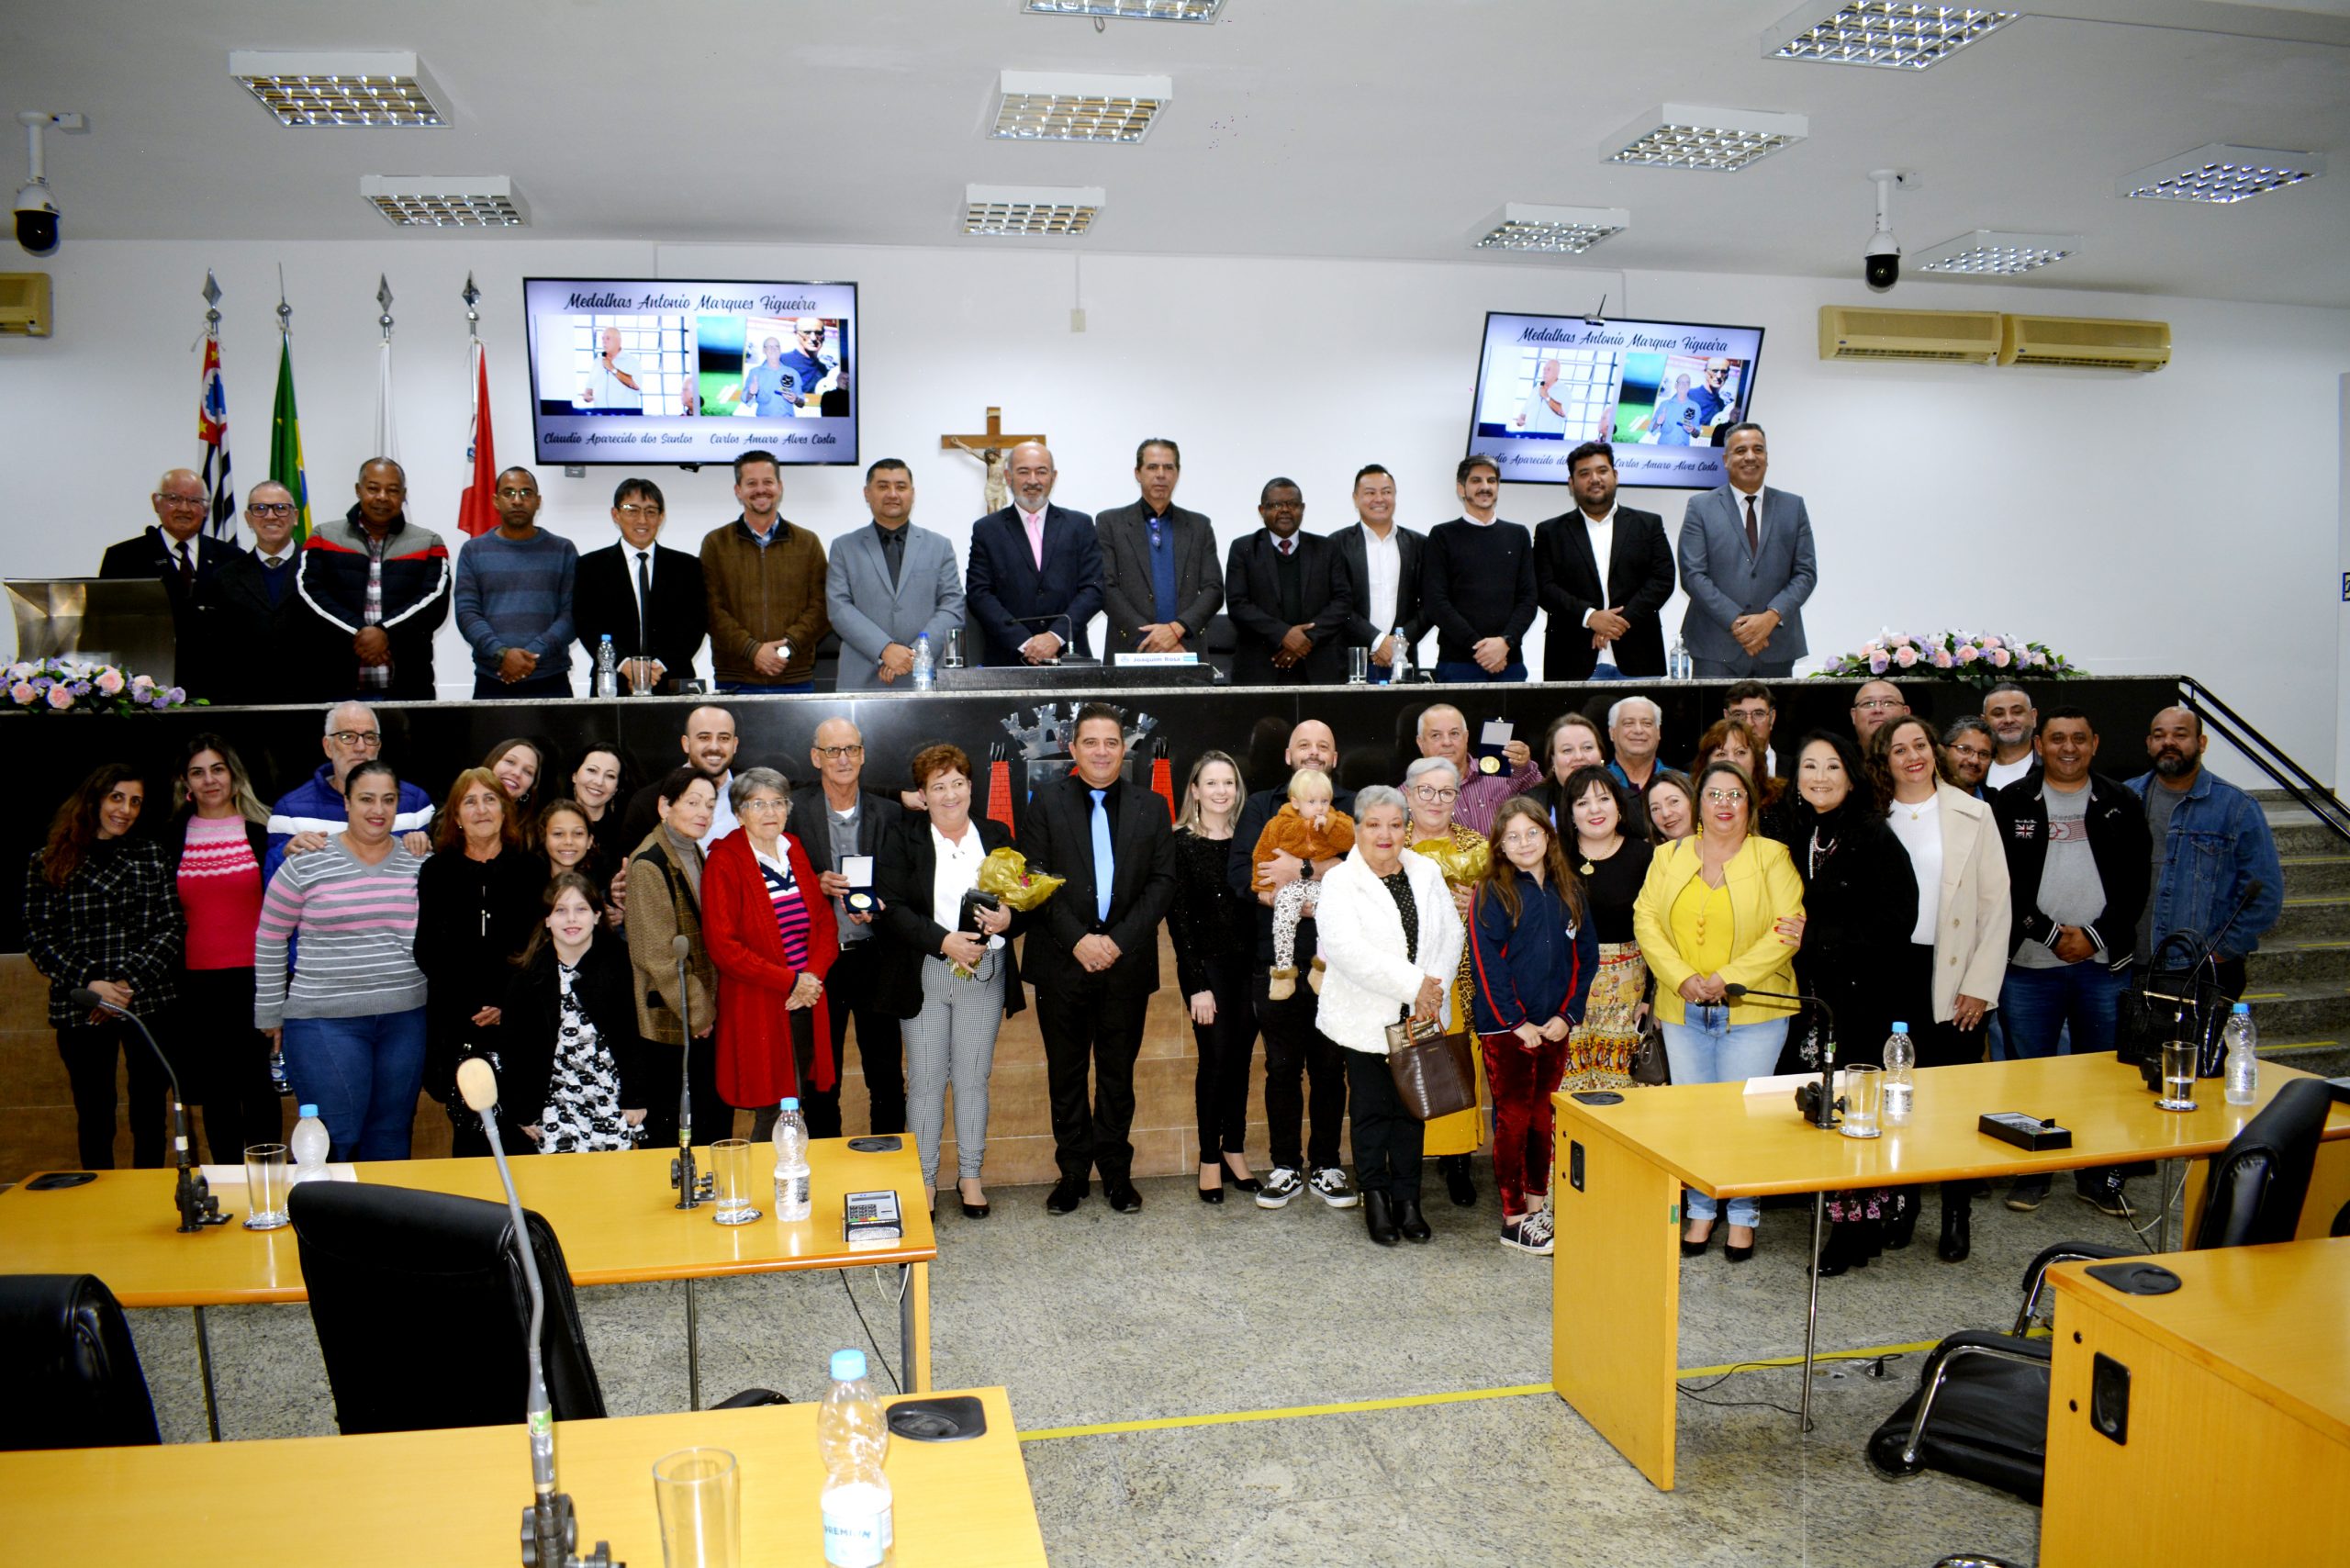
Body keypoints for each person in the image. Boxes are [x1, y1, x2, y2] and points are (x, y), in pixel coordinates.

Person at [2107, 705, 2284, 1220]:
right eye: (2159, 735)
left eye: (2180, 735)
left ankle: (2205, 1172)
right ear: (2147, 743)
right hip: (2137, 965)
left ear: (2201, 744)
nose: (2170, 743)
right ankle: (2132, 1160)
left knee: (2204, 1073)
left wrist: (2222, 951)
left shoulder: (2235, 807)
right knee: (2134, 1071)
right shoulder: (2126, 797)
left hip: (2206, 971)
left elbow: (2265, 894)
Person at [1633, 758, 1806, 1261]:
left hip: (1755, 1010)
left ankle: (1744, 1217)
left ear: (1749, 804)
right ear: (1698, 803)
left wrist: (1727, 980)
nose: (1724, 804)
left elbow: (1787, 929)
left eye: (1735, 795)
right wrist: (1683, 978)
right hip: (1682, 1008)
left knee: (1744, 1120)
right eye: (1714, 795)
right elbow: (1646, 920)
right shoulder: (1669, 857)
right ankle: (1702, 1211)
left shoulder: (1772, 856)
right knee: (1695, 1117)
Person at [1019, 702, 1178, 1215]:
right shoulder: (1044, 801)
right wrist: (1080, 941)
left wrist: (1116, 942)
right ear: (1073, 748)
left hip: (1125, 964)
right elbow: (1034, 881)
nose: (1103, 751)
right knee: (1065, 1075)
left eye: (1112, 742)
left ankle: (1116, 1174)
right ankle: (1071, 1174)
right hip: (1062, 963)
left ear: (1125, 748)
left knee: (1117, 1076)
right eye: (1091, 742)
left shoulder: (1151, 806)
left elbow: (1162, 884)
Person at [1991, 709, 2152, 1212]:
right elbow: (2002, 884)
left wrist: (2096, 937)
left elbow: (2135, 884)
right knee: (2028, 1073)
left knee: (2101, 1075)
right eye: (2057, 738)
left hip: (2102, 968)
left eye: (2078, 739)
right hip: (2029, 966)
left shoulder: (2122, 801)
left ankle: (2100, 1173)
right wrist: (2053, 933)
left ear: (2095, 743)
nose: (2068, 748)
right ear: (2039, 744)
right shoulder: (2013, 801)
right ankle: (2033, 1173)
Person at [1871, 713, 2012, 1260]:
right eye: (1898, 749)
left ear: (1935, 751)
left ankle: (1957, 1212)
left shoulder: (1973, 813)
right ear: (1884, 760)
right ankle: (1902, 1203)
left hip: (1953, 973)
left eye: (1920, 745)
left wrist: (1980, 986)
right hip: (1890, 973)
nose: (1912, 756)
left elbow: (1996, 906)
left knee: (1953, 1100)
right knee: (1895, 1094)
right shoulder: (1873, 817)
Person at [1785, 731, 1919, 1273]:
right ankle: (1851, 1223)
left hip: (1867, 998)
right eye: (1809, 765)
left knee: (1857, 1109)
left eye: (1832, 767)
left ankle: (1855, 1230)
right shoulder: (1804, 833)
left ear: (1852, 776)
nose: (1819, 776)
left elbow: (1896, 923)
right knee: (1828, 1107)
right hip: (1820, 1000)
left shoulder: (1872, 836)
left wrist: (1814, 935)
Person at [253, 759, 430, 1162]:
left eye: (388, 800)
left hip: (404, 1020)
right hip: (323, 1022)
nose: (377, 810)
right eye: (366, 799)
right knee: (335, 1136)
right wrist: (269, 1014)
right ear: (346, 803)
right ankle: (327, 1225)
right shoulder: (306, 861)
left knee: (391, 1134)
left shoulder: (419, 864)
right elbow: (270, 935)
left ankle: (386, 1225)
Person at [1314, 785, 1464, 1247]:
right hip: (1364, 1019)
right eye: (1374, 824)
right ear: (1356, 829)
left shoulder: (1426, 871)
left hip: (1418, 1016)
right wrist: (1413, 986)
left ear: (1406, 829)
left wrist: (1430, 990)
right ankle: (1376, 1200)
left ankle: (1409, 1201)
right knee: (1372, 1113)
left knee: (1410, 1113)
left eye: (1395, 825)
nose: (1385, 834)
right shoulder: (1340, 880)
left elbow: (1450, 933)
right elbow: (1346, 950)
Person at [878, 744, 1024, 1216]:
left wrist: (1007, 921)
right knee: (924, 1080)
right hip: (926, 972)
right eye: (937, 786)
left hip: (984, 972)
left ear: (970, 786)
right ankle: (922, 1182)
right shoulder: (904, 836)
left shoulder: (997, 834)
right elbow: (893, 909)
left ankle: (971, 1176)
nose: (949, 794)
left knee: (973, 1078)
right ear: (922, 794)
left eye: (957, 783)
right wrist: (944, 942)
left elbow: (1020, 906)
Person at [25, 765, 183, 1169]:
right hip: (80, 1007)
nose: (125, 810)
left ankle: (150, 1199)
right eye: (117, 797)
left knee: (150, 1115)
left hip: (146, 1002)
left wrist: (124, 986)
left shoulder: (150, 854)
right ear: (94, 798)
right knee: (95, 1115)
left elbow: (172, 926)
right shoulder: (48, 860)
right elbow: (40, 939)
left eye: (135, 802)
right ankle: (99, 1205)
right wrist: (93, 985)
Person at [1231, 720, 1358, 1212]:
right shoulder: (1263, 806)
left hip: (1339, 963)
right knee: (1282, 1068)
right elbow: (1245, 873)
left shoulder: (1349, 806)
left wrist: (1302, 872)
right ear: (1288, 755)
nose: (1313, 753)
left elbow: (1368, 864)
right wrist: (1297, 896)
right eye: (1304, 745)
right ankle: (1284, 1165)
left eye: (1322, 746)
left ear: (1334, 756)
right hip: (1276, 962)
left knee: (1331, 1068)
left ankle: (1327, 1165)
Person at [1468, 797, 1599, 1255]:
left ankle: (1539, 1206)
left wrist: (1568, 1016)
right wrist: (1515, 1021)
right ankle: (1514, 1216)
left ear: (1548, 835)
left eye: (1532, 833)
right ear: (1500, 846)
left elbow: (1587, 958)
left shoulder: (1569, 889)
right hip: (1508, 1031)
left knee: (1544, 1118)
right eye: (1513, 836)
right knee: (1515, 1119)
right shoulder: (1492, 890)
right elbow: (1487, 966)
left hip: (1554, 1028)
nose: (1524, 843)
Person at [702, 768, 840, 1141]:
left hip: (805, 1000)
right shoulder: (725, 861)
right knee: (774, 1112)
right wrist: (791, 981)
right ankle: (768, 1194)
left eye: (778, 803)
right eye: (758, 804)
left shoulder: (792, 849)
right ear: (739, 811)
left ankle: (793, 1191)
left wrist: (810, 978)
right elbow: (724, 947)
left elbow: (825, 925)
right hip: (760, 1003)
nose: (770, 812)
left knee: (798, 1104)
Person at [415, 767, 545, 1156]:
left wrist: (509, 1004)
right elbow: (428, 951)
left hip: (519, 1022)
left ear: (506, 811)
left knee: (523, 1133)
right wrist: (475, 1006)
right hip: (461, 1024)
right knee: (472, 1138)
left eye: (490, 799)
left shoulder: (532, 869)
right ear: (455, 816)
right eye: (469, 801)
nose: (481, 809)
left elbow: (541, 948)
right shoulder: (437, 871)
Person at [165, 735, 281, 1164]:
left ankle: (269, 1183)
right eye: (198, 771)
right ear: (185, 782)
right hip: (195, 988)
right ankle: (229, 1182)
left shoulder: (264, 832)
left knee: (259, 1088)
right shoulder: (171, 837)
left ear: (234, 776)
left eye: (218, 769)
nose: (209, 779)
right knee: (216, 1094)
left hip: (257, 981)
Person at [789, 718, 906, 1137]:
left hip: (875, 957)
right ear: (815, 757)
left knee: (886, 1074)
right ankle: (825, 1169)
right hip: (818, 962)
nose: (843, 759)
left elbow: (902, 883)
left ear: (863, 754)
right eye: (833, 750)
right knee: (823, 1079)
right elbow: (776, 876)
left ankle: (891, 1169)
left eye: (851, 749)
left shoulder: (889, 814)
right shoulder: (792, 811)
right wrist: (813, 884)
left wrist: (880, 907)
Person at [1165, 751, 1260, 1204]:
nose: (1222, 791)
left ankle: (1234, 1150)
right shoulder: (1180, 842)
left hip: (1252, 967)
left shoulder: (1250, 840)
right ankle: (1207, 1158)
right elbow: (1179, 921)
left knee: (1241, 1062)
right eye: (1213, 783)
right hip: (1208, 971)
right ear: (1196, 791)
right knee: (1216, 1061)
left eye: (1229, 783)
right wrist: (1196, 984)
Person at [498, 872, 649, 1152]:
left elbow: (634, 1036)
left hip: (611, 1100)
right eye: (560, 910)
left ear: (596, 915)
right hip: (554, 1105)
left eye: (580, 909)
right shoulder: (528, 976)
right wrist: (523, 1109)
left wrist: (635, 1096)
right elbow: (514, 1048)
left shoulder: (621, 965)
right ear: (546, 919)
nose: (571, 919)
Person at [1402, 754, 1492, 1205]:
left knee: (1455, 1063)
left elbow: (1506, 904)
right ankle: (1403, 1163)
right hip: (1401, 976)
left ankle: (1458, 1161)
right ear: (1408, 794)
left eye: (1447, 792)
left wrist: (1480, 902)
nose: (1436, 801)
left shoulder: (1479, 846)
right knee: (1404, 1065)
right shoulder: (1388, 842)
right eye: (1426, 791)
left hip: (1459, 976)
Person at [290, 457, 452, 700]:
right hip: (335, 686)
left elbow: (433, 603)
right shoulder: (323, 537)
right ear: (358, 490)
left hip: (408, 686)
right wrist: (362, 634)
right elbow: (310, 595)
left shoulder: (429, 543)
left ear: (403, 494)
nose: (382, 497)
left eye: (393, 490)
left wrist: (384, 633)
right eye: (373, 488)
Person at [625, 767, 727, 1147]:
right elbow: (658, 956)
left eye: (711, 805)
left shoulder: (692, 848)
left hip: (697, 1016)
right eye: (693, 803)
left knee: (706, 1127)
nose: (704, 812)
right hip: (672, 1020)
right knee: (676, 1136)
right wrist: (699, 1014)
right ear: (665, 806)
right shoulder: (649, 862)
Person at [1676, 423, 1816, 678]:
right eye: (1740, 450)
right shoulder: (1700, 507)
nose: (1750, 457)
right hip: (1714, 648)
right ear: (1726, 460)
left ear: (1766, 457)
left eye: (1758, 449)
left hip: (1777, 645)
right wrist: (1740, 624)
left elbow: (1805, 574)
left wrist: (1770, 618)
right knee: (1714, 719)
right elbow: (1693, 575)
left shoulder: (1793, 506)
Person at [1534, 442, 1674, 681]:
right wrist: (1590, 617)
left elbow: (1663, 580)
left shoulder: (1647, 524)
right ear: (1571, 483)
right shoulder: (1550, 531)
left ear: (1615, 476)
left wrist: (1617, 622)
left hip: (1639, 657)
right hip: (1572, 661)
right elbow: (1544, 588)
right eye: (1584, 473)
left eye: (1602, 470)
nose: (1594, 479)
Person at [97, 467, 240, 698]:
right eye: (174, 499)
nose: (184, 508)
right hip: (145, 692)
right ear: (156, 502)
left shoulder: (231, 558)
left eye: (194, 501)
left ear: (206, 509)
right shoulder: (123, 558)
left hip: (218, 691)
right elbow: (109, 629)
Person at [826, 458, 967, 689]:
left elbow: (952, 606)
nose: (893, 494)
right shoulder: (844, 547)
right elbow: (839, 608)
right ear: (867, 493)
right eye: (883, 486)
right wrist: (884, 649)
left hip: (924, 677)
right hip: (862, 678)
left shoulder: (939, 546)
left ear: (912, 493)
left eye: (901, 487)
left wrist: (913, 655)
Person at [965, 441, 1103, 667]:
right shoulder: (986, 530)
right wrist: (1024, 642)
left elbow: (1094, 589)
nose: (1032, 480)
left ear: (1053, 477)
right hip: (1007, 660)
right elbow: (979, 593)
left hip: (1069, 657)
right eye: (1023, 472)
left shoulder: (1079, 525)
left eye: (1041, 472)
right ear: (1008, 477)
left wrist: (1054, 637)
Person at [701, 449, 829, 693]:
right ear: (738, 490)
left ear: (779, 486)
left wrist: (784, 650)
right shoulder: (716, 543)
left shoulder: (807, 542)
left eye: (768, 482)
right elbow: (710, 610)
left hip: (795, 678)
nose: (761, 490)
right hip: (735, 679)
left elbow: (822, 607)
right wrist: (753, 651)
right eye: (751, 483)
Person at [1560, 767, 1655, 1092]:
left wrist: (1652, 999)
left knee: (1622, 1094)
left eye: (1603, 799)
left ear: (1618, 804)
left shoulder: (1645, 856)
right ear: (1570, 813)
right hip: (1566, 992)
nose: (1595, 809)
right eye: (1583, 803)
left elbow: (1660, 931)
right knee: (1568, 1096)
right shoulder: (1554, 859)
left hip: (1629, 995)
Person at [573, 476, 708, 695]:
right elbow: (586, 624)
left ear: (662, 517)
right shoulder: (591, 566)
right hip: (613, 680)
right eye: (632, 510)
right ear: (615, 515)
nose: (642, 520)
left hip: (672, 679)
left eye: (651, 511)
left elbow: (695, 625)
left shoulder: (686, 566)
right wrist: (627, 665)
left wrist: (655, 669)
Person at [453, 467, 577, 699]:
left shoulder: (563, 550)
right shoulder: (473, 551)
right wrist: (502, 654)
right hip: (493, 678)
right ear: (495, 501)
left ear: (538, 501)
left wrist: (531, 655)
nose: (517, 500)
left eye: (526, 493)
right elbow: (467, 613)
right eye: (508, 493)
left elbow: (572, 614)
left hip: (552, 679)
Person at [264, 701, 435, 866]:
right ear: (328, 746)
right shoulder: (291, 812)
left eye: (369, 737)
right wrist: (285, 852)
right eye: (347, 737)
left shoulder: (415, 803)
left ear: (378, 746)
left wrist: (422, 846)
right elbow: (273, 883)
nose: (360, 747)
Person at [1098, 438, 1225, 658]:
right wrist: (1152, 640)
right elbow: (1106, 588)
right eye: (1152, 467)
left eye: (1168, 467)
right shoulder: (1110, 523)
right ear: (1137, 473)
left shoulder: (1199, 525)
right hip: (1130, 648)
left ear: (1177, 473)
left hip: (1186, 648)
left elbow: (1213, 590)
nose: (1161, 474)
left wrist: (1176, 630)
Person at [1222, 476, 1350, 684]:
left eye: (1292, 504)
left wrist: (1304, 640)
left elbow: (1342, 602)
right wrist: (1283, 635)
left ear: (1303, 508)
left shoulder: (1327, 548)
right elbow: (1238, 605)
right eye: (1275, 505)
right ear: (1261, 510)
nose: (1285, 510)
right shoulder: (1243, 549)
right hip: (1260, 668)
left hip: (1318, 666)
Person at [1423, 456, 1536, 683]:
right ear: (1461, 488)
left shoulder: (1518, 535)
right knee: (1461, 720)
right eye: (1476, 480)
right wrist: (1481, 648)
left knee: (1507, 720)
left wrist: (1504, 643)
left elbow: (1529, 598)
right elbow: (1436, 601)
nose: (1485, 487)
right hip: (1458, 664)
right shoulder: (1442, 535)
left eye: (1491, 480)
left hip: (1509, 662)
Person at [1251, 767, 1355, 999]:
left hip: (1323, 885)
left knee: (1332, 917)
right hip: (1288, 886)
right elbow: (1262, 854)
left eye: (1325, 801)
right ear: (1295, 802)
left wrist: (1329, 823)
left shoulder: (1337, 820)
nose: (1320, 807)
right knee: (1284, 916)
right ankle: (1283, 971)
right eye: (1312, 801)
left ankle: (1321, 968)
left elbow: (1350, 839)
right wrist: (1264, 888)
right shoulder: (1279, 824)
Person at [207, 481, 304, 704]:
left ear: (295, 516)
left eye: (281, 508)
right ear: (248, 518)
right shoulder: (225, 578)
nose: (271, 516)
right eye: (260, 509)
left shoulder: (320, 569)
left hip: (309, 699)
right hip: (244, 702)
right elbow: (217, 650)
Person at [1331, 464, 1429, 682]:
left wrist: (1397, 645)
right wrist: (1376, 641)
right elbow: (1336, 605)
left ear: (1395, 496)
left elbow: (1430, 605)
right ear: (1355, 498)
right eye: (1370, 493)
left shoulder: (1419, 544)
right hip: (1352, 661)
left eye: (1386, 492)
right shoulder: (1336, 545)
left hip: (1403, 662)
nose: (1379, 499)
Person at [620, 705, 742, 848]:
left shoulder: (757, 794)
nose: (714, 746)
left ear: (734, 745)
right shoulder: (647, 802)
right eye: (704, 737)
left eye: (724, 738)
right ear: (686, 744)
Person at [1415, 701, 1539, 836]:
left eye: (1454, 733)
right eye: (1436, 735)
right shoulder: (1408, 794)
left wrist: (1523, 766)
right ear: (1421, 743)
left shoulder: (1501, 771)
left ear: (1466, 737)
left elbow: (1541, 800)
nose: (1447, 742)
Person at [1692, 718, 1788, 840]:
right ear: (1706, 763)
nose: (1732, 761)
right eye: (1721, 754)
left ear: (1755, 759)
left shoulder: (1781, 799)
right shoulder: (1694, 802)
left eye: (1740, 752)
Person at [537, 800, 624, 928]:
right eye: (558, 834)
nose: (568, 841)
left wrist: (611, 918)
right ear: (544, 838)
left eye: (578, 834)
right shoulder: (527, 884)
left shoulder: (597, 886)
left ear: (590, 841)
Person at [564, 743, 634, 877]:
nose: (599, 782)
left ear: (616, 789)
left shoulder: (625, 834)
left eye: (610, 776)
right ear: (574, 775)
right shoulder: (549, 822)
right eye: (592, 770)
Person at [1530, 712, 1610, 830]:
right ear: (1552, 759)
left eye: (1587, 747)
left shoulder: (1627, 801)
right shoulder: (1532, 805)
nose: (1578, 756)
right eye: (1567, 750)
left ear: (1601, 753)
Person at [1983, 682, 2038, 790]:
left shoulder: (2051, 764)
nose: (2009, 720)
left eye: (2017, 712)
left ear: (2033, 717)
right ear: (1984, 721)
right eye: (1998, 714)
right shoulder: (1975, 767)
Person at [1606, 696, 1664, 798]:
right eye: (1628, 723)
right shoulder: (1596, 784)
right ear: (1612, 733)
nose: (1638, 730)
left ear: (1658, 732)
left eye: (1647, 723)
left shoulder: (1683, 784)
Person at [1723, 681, 1782, 778]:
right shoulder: (1699, 772)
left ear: (1772, 718)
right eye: (1739, 715)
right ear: (1727, 718)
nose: (1749, 724)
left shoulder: (1797, 769)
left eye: (1758, 714)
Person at [578, 325, 642, 411]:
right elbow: (589, 388)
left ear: (619, 341)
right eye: (602, 339)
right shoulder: (597, 362)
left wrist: (612, 369)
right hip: (600, 417)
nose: (604, 342)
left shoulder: (631, 361)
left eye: (608, 338)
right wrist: (587, 396)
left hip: (624, 417)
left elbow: (636, 386)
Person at [483, 737, 546, 813]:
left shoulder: (534, 824)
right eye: (510, 762)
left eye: (528, 772)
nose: (517, 773)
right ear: (492, 762)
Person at [1943, 717, 1997, 798]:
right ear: (1944, 750)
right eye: (1965, 750)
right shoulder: (1923, 797)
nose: (1974, 761)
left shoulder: (1998, 803)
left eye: (1983, 754)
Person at [1851, 679, 1909, 751]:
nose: (1878, 710)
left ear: (1906, 713)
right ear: (1854, 715)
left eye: (1888, 703)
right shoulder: (1842, 758)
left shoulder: (1918, 757)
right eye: (1868, 704)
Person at [1646, 769, 1697, 842]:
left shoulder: (1717, 844)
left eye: (1674, 802)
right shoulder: (1645, 851)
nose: (1666, 814)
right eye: (1655, 809)